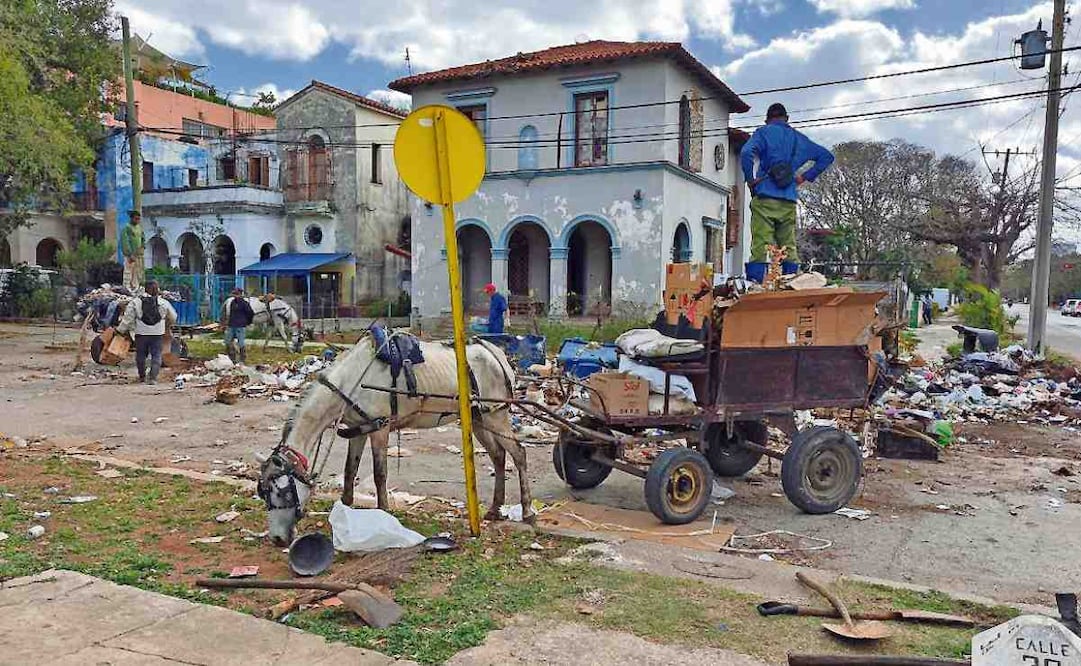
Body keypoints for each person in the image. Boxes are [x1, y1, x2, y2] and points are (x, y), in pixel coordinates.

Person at [740, 103, 835, 283]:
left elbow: (746, 153)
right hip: (788, 199)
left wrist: (750, 180)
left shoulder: (763, 132)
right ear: (787, 119)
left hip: (765, 197)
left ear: (768, 120)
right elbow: (827, 157)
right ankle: (790, 286)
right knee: (789, 247)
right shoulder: (798, 139)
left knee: (760, 245)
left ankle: (755, 287)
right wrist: (804, 176)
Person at [117, 280, 176, 385]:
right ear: (157, 289)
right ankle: (153, 378)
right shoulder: (163, 302)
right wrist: (166, 324)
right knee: (156, 354)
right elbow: (173, 317)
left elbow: (128, 319)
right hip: (158, 333)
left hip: (141, 332)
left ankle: (142, 377)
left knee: (140, 355)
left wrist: (120, 330)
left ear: (144, 289)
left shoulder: (136, 302)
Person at [221, 287, 255, 362]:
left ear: (240, 294)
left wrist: (247, 322)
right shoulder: (232, 302)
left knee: (241, 343)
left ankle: (242, 358)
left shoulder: (244, 303)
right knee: (227, 341)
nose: (235, 296)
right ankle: (231, 357)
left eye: (236, 294)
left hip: (240, 325)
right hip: (231, 325)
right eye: (234, 294)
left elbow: (251, 313)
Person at [120, 210, 145, 292]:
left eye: (138, 219)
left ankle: (135, 287)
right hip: (130, 255)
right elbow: (125, 241)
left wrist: (143, 247)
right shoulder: (126, 228)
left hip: (138, 255)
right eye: (136, 219)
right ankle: (126, 287)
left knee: (137, 272)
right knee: (128, 272)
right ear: (131, 218)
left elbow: (143, 238)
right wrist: (130, 254)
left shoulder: (139, 228)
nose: (137, 221)